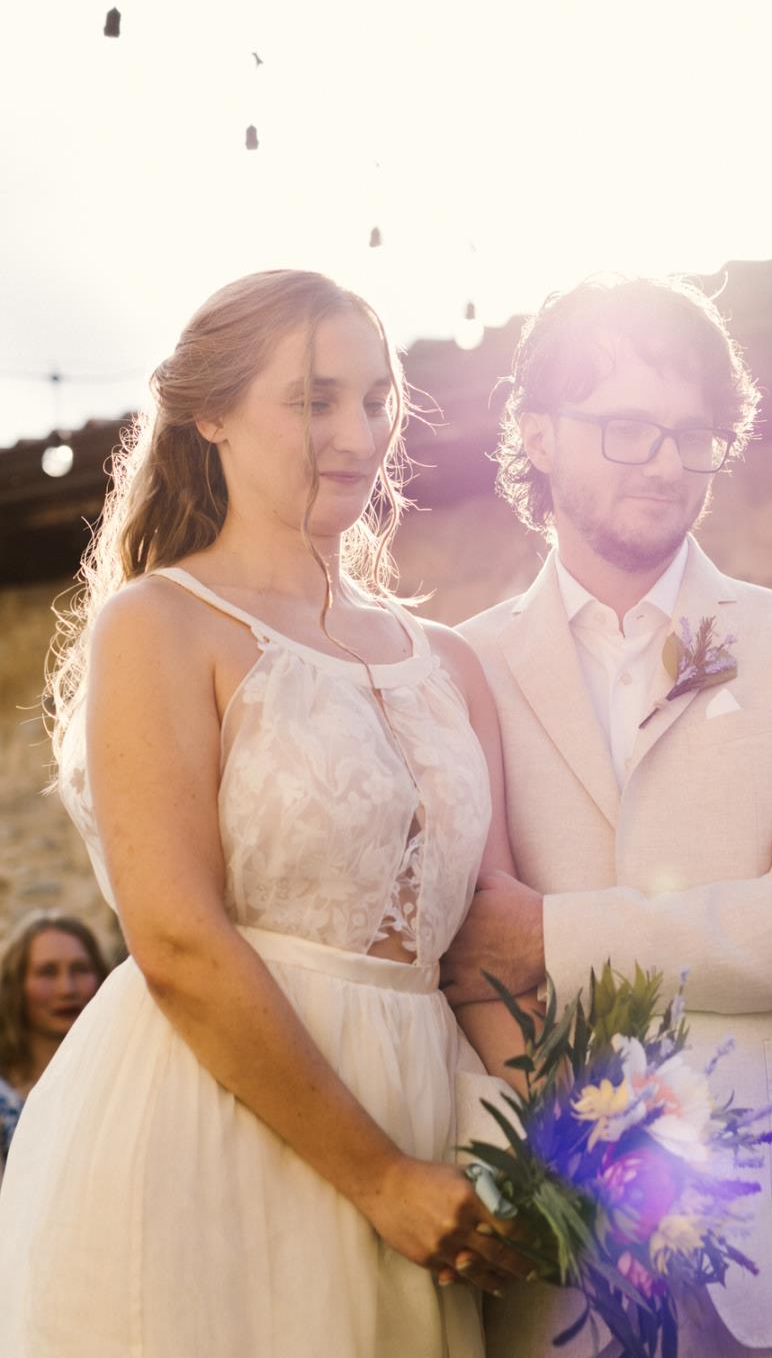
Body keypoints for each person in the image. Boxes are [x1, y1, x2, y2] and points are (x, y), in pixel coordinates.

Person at [0, 270, 529, 1357]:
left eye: (377, 400)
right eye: (314, 398)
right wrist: (380, 1178)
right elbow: (179, 939)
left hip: (434, 1121)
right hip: (221, 1124)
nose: (356, 432)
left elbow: (488, 940)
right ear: (211, 412)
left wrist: (543, 1150)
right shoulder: (160, 626)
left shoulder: (455, 664)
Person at [445, 275, 772, 1357]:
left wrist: (555, 935)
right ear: (538, 434)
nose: (666, 463)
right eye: (626, 429)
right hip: (548, 1242)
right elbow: (455, 944)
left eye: (693, 435)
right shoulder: (455, 666)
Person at [0, 911, 108, 1175]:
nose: (67, 989)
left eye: (80, 969)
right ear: (16, 984)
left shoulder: (121, 1078)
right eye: (47, 972)